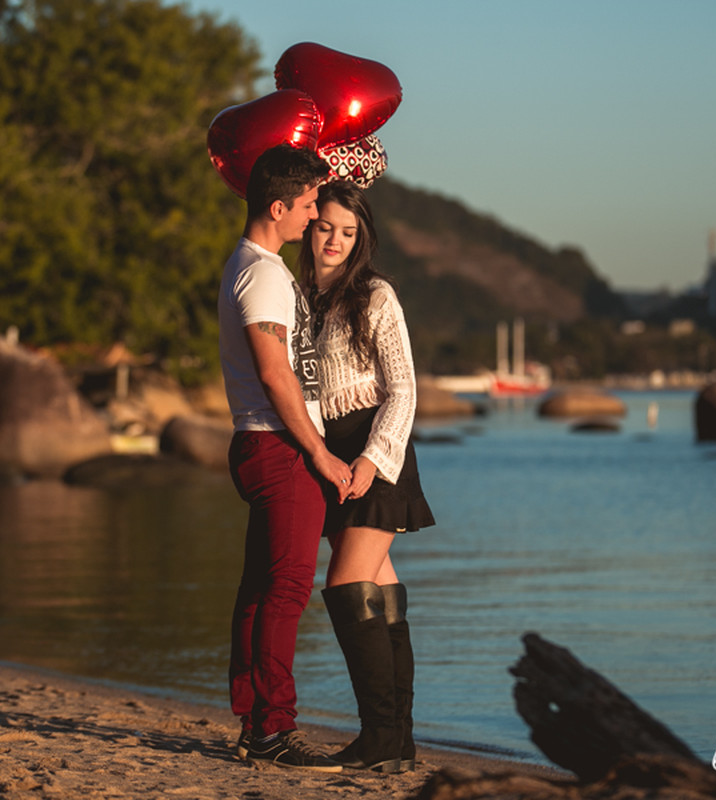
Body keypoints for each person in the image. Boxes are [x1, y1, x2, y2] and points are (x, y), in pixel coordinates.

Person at [218, 143, 354, 772]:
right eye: (305, 207)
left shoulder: (255, 265)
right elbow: (276, 375)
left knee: (260, 587)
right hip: (279, 444)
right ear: (277, 207)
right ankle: (274, 728)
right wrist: (321, 455)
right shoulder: (264, 273)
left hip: (265, 441)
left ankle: (253, 721)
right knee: (288, 590)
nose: (311, 218)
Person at [298, 179, 436, 774]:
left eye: (348, 232)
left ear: (362, 239)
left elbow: (404, 388)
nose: (335, 240)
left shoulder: (375, 294)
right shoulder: (303, 297)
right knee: (378, 587)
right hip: (332, 452)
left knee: (345, 582)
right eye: (326, 226)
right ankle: (398, 737)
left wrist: (373, 458)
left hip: (375, 449)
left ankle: (379, 733)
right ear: (309, 226)